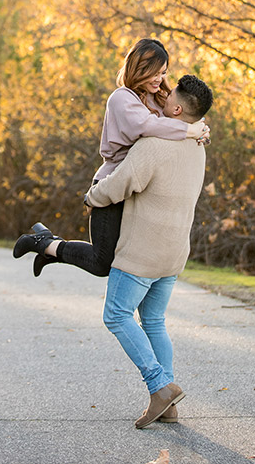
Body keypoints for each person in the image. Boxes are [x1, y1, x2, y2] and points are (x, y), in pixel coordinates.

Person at [12, 38, 210, 277]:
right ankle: (44, 244)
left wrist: (201, 128)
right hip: (113, 180)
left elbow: (183, 114)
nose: (159, 79)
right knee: (102, 262)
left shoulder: (158, 97)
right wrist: (190, 131)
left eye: (163, 72)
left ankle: (49, 249)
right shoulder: (122, 98)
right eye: (154, 73)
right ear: (138, 69)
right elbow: (147, 127)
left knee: (122, 257)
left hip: (135, 188)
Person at [87, 73, 213, 428]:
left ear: (175, 108)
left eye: (167, 93)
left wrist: (91, 197)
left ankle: (159, 386)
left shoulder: (153, 145)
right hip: (174, 253)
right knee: (154, 320)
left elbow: (121, 184)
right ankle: (167, 405)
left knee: (116, 315)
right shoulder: (199, 144)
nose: (161, 92)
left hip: (142, 252)